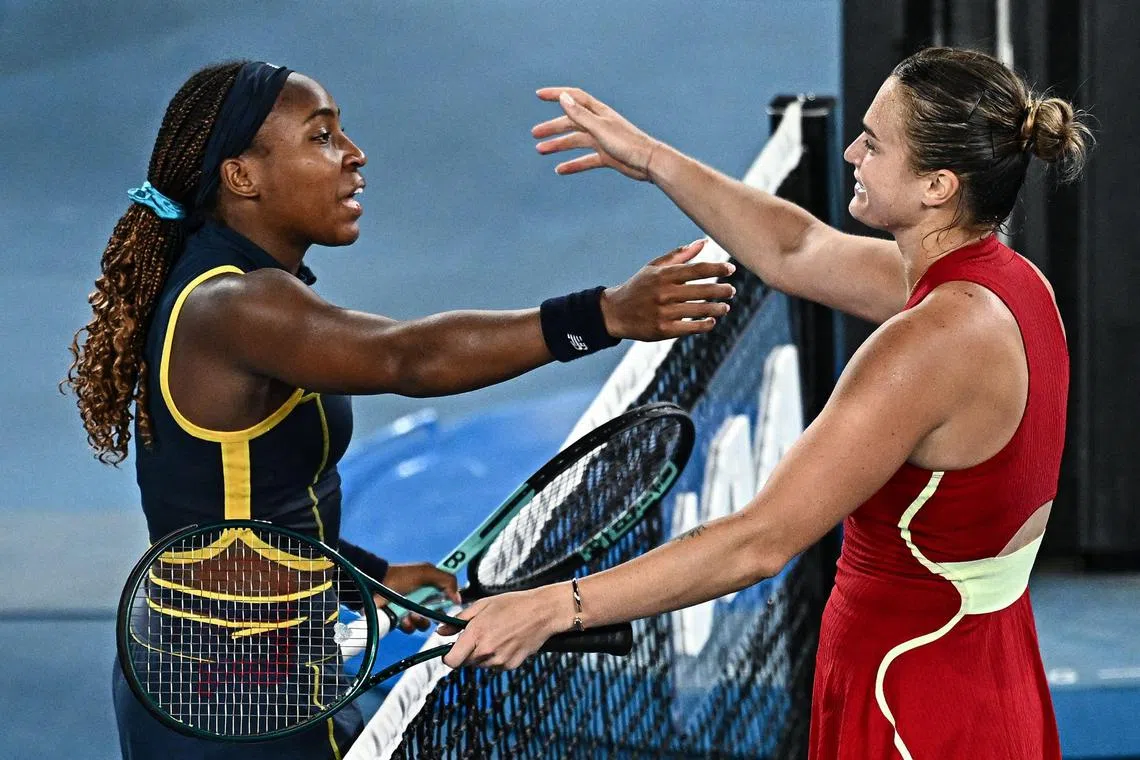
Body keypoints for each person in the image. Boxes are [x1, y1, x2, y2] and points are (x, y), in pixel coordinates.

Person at [63, 60, 735, 760]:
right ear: (243, 177)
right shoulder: (237, 306)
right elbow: (407, 357)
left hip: (245, 662)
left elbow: (235, 500)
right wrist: (603, 315)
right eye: (321, 137)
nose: (354, 155)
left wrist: (365, 572)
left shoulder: (235, 284)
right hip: (233, 694)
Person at [440, 47, 1093, 759]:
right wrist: (651, 158)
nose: (850, 152)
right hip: (985, 672)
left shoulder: (925, 347)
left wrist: (551, 608)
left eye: (873, 144)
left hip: (908, 696)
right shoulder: (1010, 287)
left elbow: (760, 540)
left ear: (936, 184)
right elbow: (798, 249)